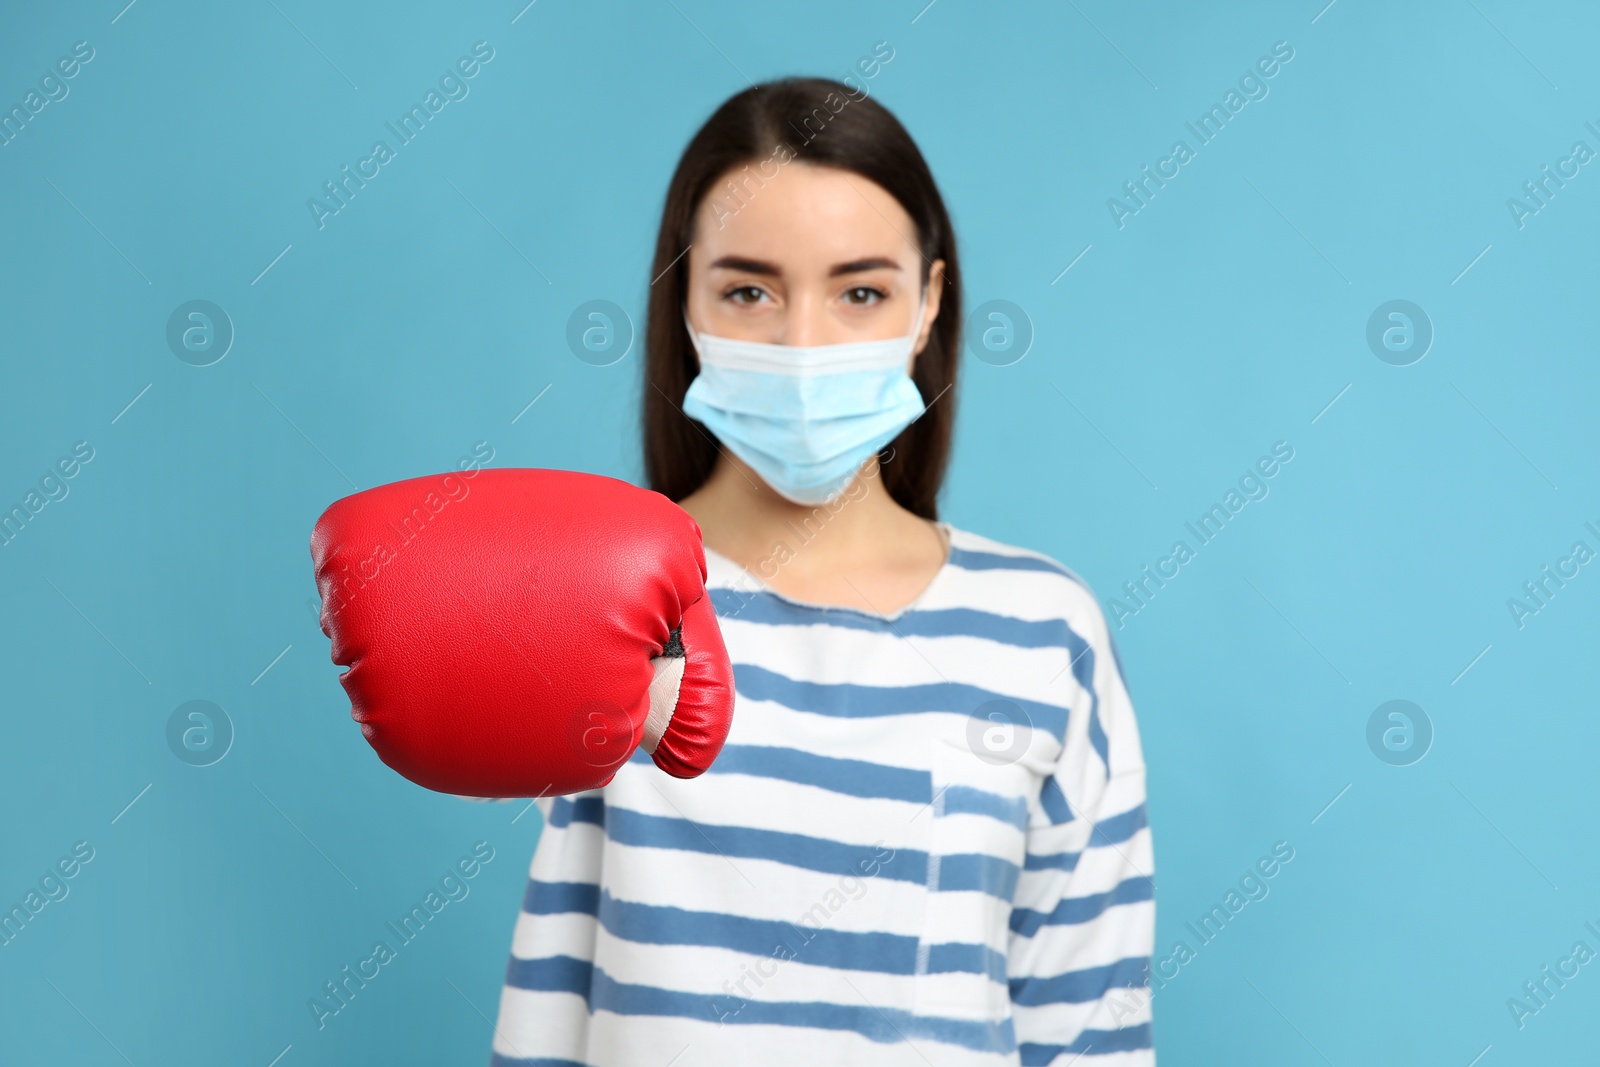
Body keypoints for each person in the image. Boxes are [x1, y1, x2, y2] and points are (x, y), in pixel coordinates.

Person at [488, 76, 1155, 1066]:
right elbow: (554, 981)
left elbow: (1086, 1017)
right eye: (748, 289)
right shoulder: (604, 603)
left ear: (929, 301)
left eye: (860, 291)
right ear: (686, 302)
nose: (803, 344)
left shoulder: (1041, 632)